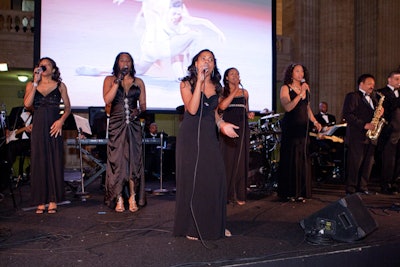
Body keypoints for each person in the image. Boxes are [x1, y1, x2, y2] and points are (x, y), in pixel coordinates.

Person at [173, 49, 239, 241]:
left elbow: (214, 113)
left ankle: (216, 225)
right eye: (204, 58)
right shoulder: (186, 84)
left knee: (216, 177)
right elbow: (192, 109)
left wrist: (222, 125)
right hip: (191, 135)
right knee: (195, 180)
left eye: (211, 59)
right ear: (196, 63)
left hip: (209, 134)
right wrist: (199, 83)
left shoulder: (217, 87)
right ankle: (192, 227)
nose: (207, 62)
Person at [23, 57, 71, 214]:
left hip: (54, 126)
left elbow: (68, 108)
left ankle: (52, 199)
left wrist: (61, 121)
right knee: (39, 161)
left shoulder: (60, 85)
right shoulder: (31, 85)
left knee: (54, 160)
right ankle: (40, 200)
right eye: (41, 64)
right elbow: (27, 104)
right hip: (38, 126)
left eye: (47, 64)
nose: (44, 66)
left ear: (53, 69)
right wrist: (35, 83)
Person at [103, 52, 146, 212]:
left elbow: (143, 105)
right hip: (116, 124)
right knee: (118, 161)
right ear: (117, 63)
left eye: (128, 60)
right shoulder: (109, 80)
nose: (125, 63)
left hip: (133, 126)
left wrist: (138, 111)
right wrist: (118, 81)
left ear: (132, 64)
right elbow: (107, 100)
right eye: (122, 60)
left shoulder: (139, 82)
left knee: (134, 161)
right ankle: (118, 197)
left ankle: (133, 196)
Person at [277, 63, 322, 202]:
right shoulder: (285, 88)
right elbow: (288, 107)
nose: (300, 74)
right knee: (291, 158)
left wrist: (315, 121)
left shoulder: (306, 88)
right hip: (291, 126)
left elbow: (307, 109)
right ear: (291, 73)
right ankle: (290, 192)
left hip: (303, 127)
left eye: (302, 71)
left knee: (303, 158)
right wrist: (300, 94)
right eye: (297, 71)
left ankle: (301, 191)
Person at [342, 73, 384, 195]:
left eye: (373, 84)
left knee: (368, 164)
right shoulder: (353, 96)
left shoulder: (375, 99)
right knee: (355, 163)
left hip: (370, 137)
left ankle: (363, 187)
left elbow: (375, 115)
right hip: (357, 136)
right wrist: (364, 125)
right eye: (369, 84)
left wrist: (380, 113)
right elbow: (348, 115)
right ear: (361, 84)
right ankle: (351, 189)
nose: (372, 86)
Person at [219, 67, 255, 206]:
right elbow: (221, 107)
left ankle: (240, 194)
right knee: (228, 160)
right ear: (226, 77)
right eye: (232, 74)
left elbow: (246, 110)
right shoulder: (222, 91)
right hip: (228, 128)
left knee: (241, 161)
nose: (235, 76)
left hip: (242, 128)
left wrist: (249, 114)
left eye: (237, 74)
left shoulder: (245, 92)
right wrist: (234, 90)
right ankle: (227, 194)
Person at [377, 70, 400, 194]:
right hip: (390, 131)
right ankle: (386, 184)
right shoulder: (382, 92)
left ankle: (396, 183)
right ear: (389, 80)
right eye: (396, 79)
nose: (399, 82)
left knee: (398, 160)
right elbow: (389, 107)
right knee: (388, 160)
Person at [5, 106, 33, 181]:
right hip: (14, 138)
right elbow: (8, 122)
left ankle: (6, 170)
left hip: (28, 140)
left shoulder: (37, 113)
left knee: (12, 146)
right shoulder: (16, 110)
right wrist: (7, 130)